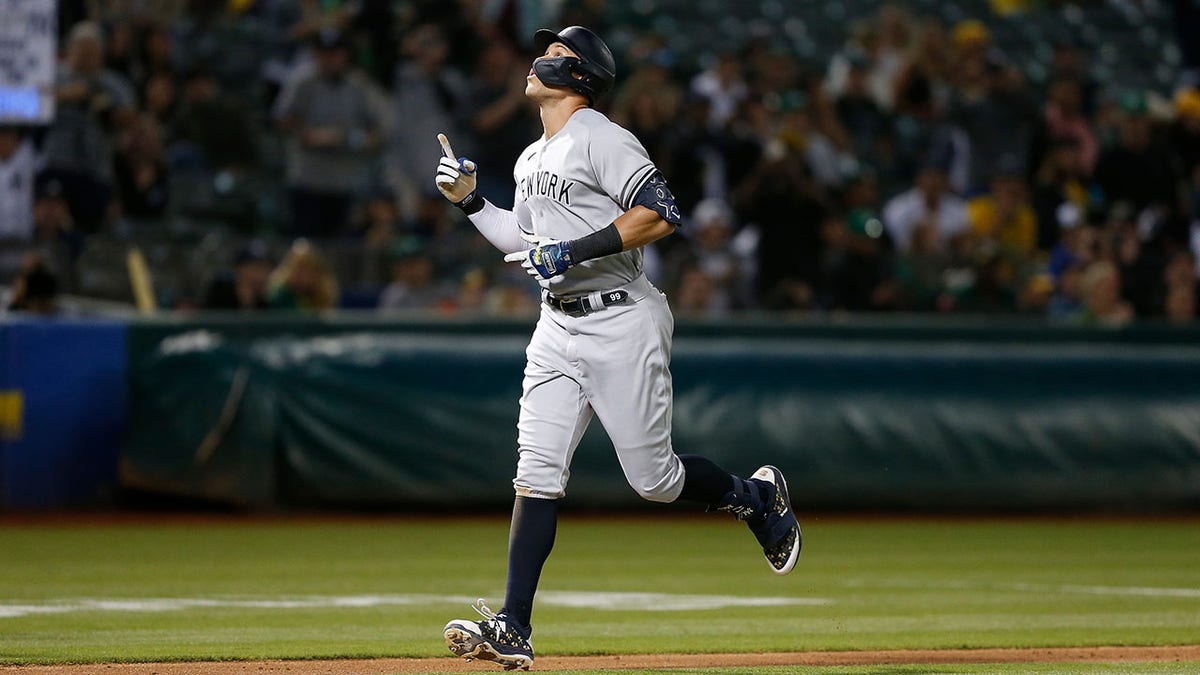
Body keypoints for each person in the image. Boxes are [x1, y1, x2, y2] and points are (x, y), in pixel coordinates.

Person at [433, 26, 802, 672]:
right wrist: (470, 203)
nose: (539, 58)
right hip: (557, 327)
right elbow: (521, 239)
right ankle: (514, 624)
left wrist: (569, 251)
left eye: (557, 54)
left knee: (654, 480)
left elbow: (659, 212)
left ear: (580, 78)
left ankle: (754, 496)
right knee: (535, 469)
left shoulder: (601, 136)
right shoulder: (529, 157)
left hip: (620, 319)